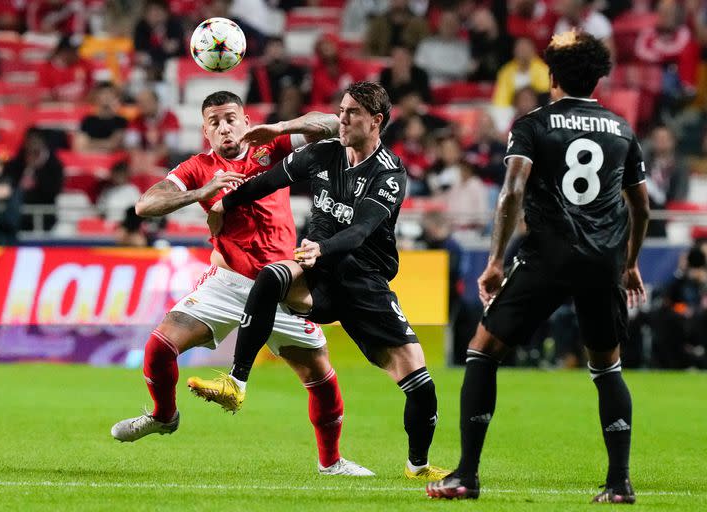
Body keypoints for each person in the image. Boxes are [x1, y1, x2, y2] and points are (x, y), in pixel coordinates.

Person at [426, 31, 650, 503]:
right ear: (598, 79)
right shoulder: (621, 128)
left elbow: (511, 191)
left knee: (483, 349)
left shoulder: (533, 124)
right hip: (603, 258)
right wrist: (629, 264)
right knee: (607, 366)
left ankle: (465, 475)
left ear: (552, 77)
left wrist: (493, 261)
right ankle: (619, 483)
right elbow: (641, 208)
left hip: (548, 253)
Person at [188, 81, 449, 482]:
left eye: (352, 114)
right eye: (340, 110)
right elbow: (266, 181)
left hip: (364, 283)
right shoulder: (323, 154)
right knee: (274, 275)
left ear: (376, 121)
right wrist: (225, 203)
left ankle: (417, 466)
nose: (341, 119)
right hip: (318, 276)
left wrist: (322, 249)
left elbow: (360, 232)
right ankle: (236, 382)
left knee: (420, 385)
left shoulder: (390, 173)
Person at [110, 91, 373, 477]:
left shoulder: (271, 146)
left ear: (246, 121)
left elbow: (334, 125)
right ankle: (164, 415)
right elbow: (145, 205)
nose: (224, 126)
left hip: (282, 283)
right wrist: (200, 193)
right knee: (159, 347)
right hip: (228, 283)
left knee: (319, 375)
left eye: (231, 117)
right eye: (214, 122)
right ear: (205, 132)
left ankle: (331, 463)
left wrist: (282, 126)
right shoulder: (199, 168)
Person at [74, 82, 128, 153]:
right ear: (96, 97)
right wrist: (105, 144)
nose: (106, 96)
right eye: (102, 93)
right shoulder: (88, 120)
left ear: (115, 97)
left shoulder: (121, 121)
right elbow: (79, 146)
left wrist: (89, 143)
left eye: (109, 93)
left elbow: (113, 145)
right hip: (90, 160)